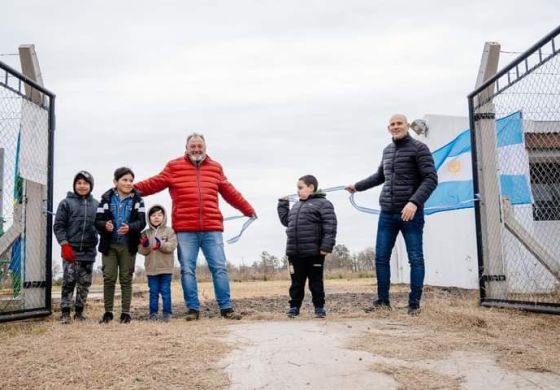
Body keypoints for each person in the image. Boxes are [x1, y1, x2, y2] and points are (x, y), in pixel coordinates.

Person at [134, 133, 256, 321]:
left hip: (212, 228)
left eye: (200, 147)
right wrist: (130, 189)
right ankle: (193, 309)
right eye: (193, 147)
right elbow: (154, 183)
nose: (196, 150)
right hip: (185, 229)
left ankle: (226, 308)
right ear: (187, 148)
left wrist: (248, 209)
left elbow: (230, 192)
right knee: (187, 270)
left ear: (205, 148)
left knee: (219, 268)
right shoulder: (173, 167)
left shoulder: (216, 168)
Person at [346, 114, 437, 316]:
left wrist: (414, 202)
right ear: (389, 128)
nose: (396, 127)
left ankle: (414, 304)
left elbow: (430, 179)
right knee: (380, 258)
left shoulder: (419, 149)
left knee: (415, 258)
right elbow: (380, 176)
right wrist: (357, 187)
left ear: (407, 126)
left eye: (399, 124)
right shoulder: (387, 151)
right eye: (392, 124)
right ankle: (382, 302)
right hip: (387, 213)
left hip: (410, 214)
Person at [277, 175, 337, 318]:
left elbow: (330, 226)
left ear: (311, 187)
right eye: (297, 188)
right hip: (295, 252)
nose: (297, 191)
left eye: (300, 188)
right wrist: (283, 205)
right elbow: (287, 221)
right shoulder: (297, 205)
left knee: (315, 281)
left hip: (314, 252)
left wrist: (326, 247)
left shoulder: (323, 204)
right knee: (296, 282)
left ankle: (319, 307)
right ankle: (294, 307)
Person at [96, 167, 146, 324]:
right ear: (115, 182)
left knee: (126, 279)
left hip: (128, 245)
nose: (128, 183)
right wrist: (105, 225)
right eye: (124, 180)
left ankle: (125, 313)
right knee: (109, 278)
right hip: (109, 245)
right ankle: (108, 312)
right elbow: (97, 221)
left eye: (131, 180)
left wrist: (130, 227)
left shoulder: (138, 200)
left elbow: (142, 221)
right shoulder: (105, 199)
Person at [53, 171, 98, 323]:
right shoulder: (66, 203)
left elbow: (101, 225)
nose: (82, 186)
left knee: (84, 283)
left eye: (85, 183)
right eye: (79, 183)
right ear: (74, 185)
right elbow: (58, 226)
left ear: (90, 185)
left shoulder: (96, 204)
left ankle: (79, 312)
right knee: (69, 281)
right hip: (70, 250)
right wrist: (64, 244)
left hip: (88, 251)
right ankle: (65, 312)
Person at [138, 205, 177, 322]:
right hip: (151, 269)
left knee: (165, 291)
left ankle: (167, 313)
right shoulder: (145, 233)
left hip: (166, 268)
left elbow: (171, 247)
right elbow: (141, 250)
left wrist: (161, 245)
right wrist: (145, 246)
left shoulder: (169, 231)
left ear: (164, 217)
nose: (156, 218)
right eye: (153, 215)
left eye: (159, 215)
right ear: (149, 218)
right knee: (153, 292)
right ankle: (153, 313)